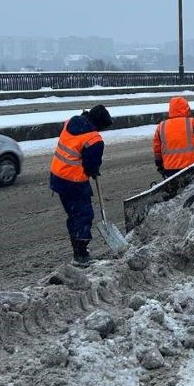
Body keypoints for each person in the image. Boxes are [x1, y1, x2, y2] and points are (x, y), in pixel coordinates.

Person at [49, 104, 113, 266]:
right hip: (73, 182)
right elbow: (91, 164)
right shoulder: (94, 139)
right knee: (83, 215)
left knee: (74, 215)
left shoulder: (71, 122)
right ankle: (80, 254)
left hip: (57, 177)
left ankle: (77, 248)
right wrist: (94, 170)